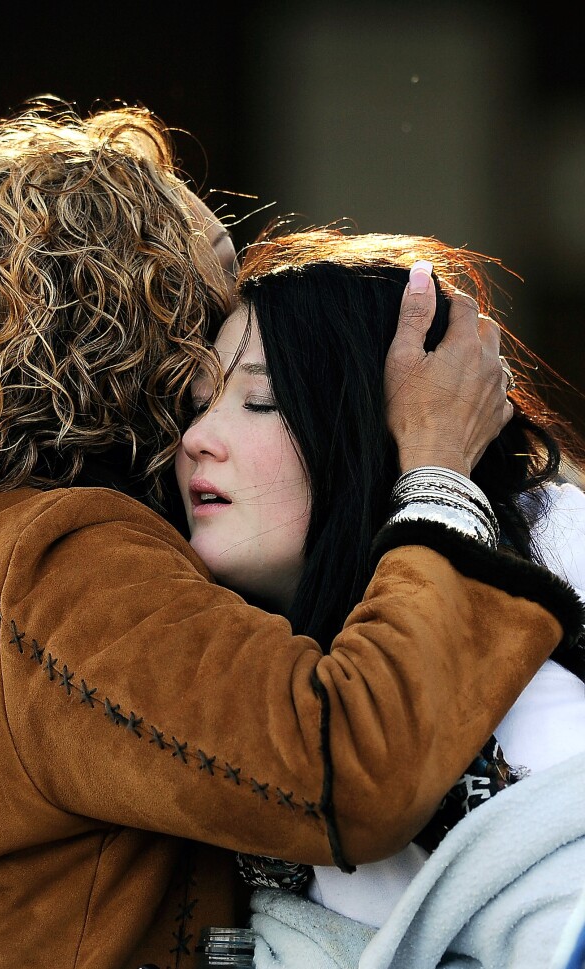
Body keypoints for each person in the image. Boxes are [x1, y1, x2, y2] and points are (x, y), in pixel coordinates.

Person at [0, 102, 581, 969]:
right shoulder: (61, 559)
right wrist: (438, 475)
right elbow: (349, 767)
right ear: (124, 321)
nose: (239, 288)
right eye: (208, 277)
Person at [174, 227, 585, 965]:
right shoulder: (253, 691)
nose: (199, 437)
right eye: (196, 404)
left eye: (260, 401)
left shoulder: (547, 653)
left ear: (375, 430)